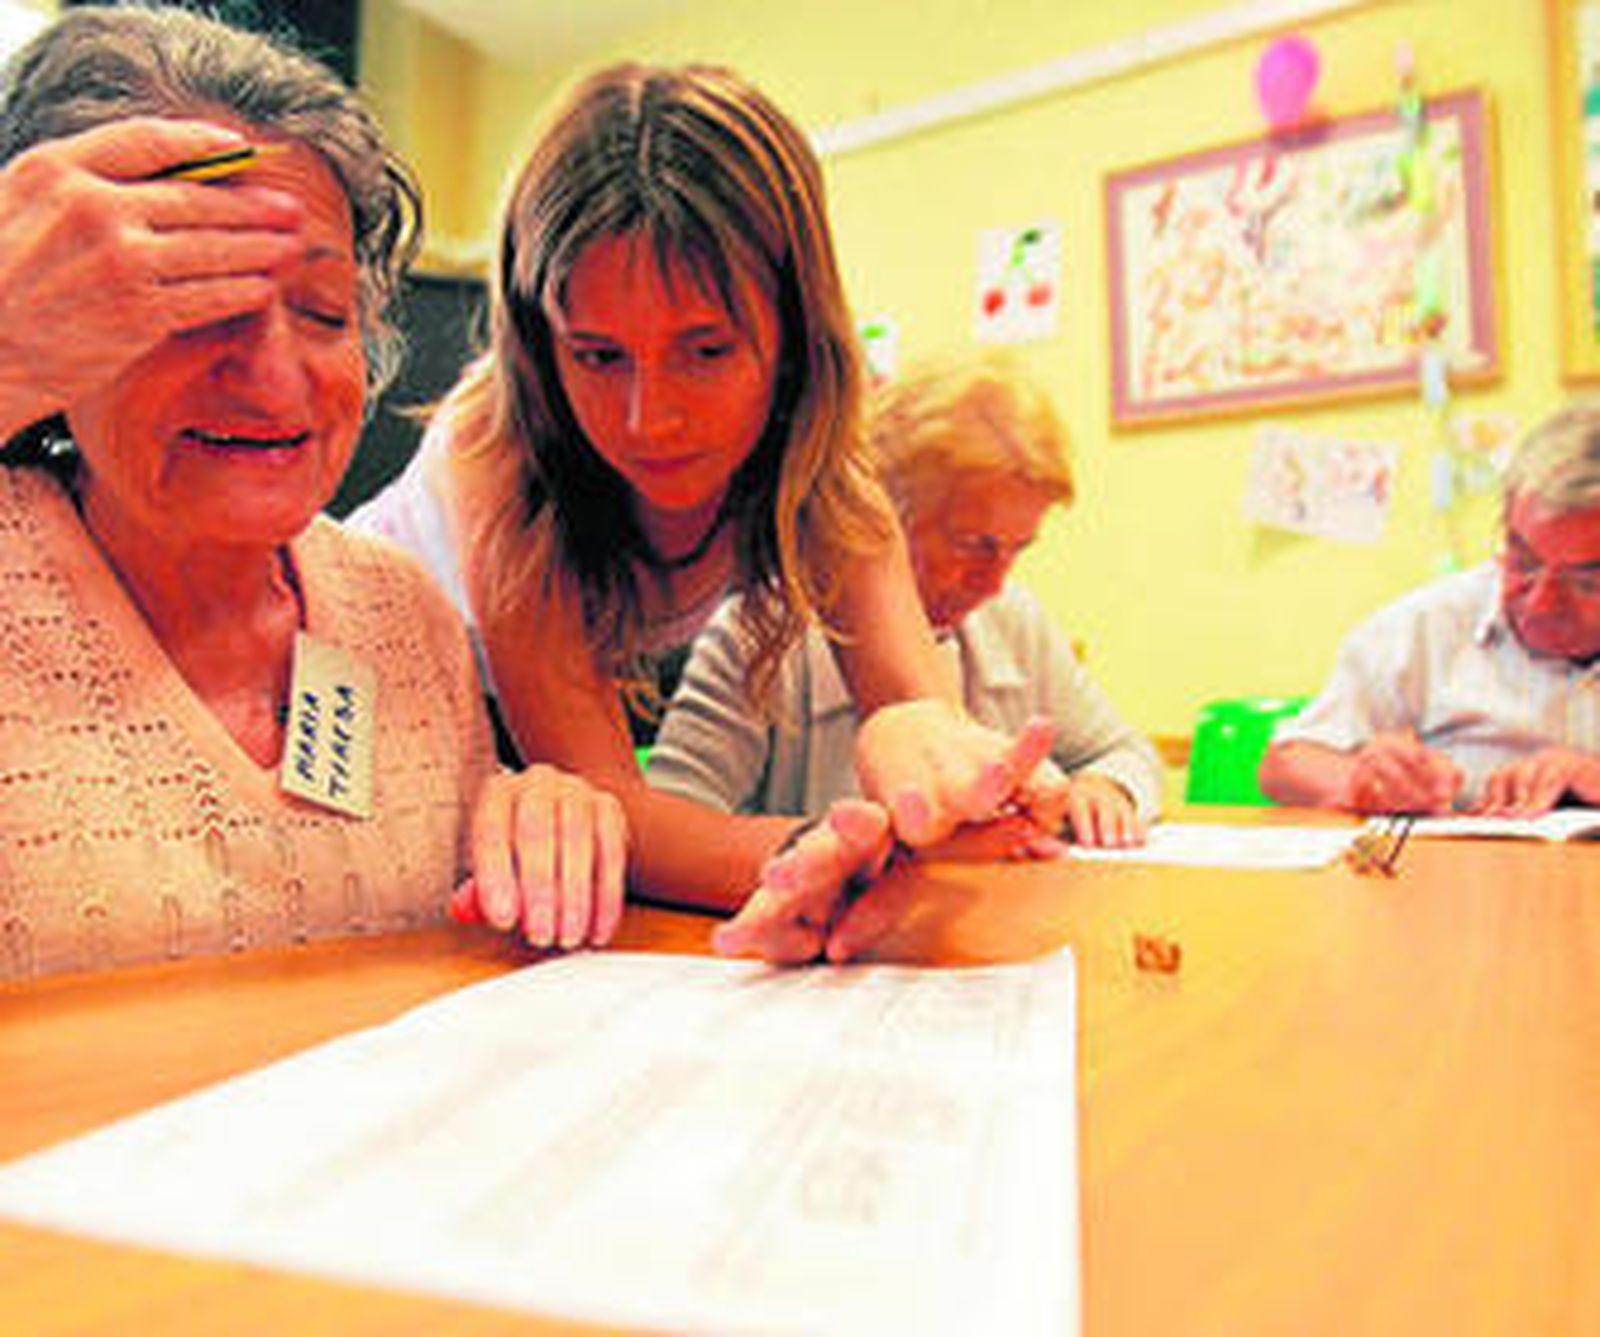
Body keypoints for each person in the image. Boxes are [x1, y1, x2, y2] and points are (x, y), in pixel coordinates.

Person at [351, 63, 1069, 955]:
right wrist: (832, 852)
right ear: (542, 341)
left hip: (495, 780)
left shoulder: (826, 473)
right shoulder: (492, 445)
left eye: (706, 349)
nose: (650, 419)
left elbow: (915, 715)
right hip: (339, 728)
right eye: (600, 357)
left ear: (795, 336)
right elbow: (604, 797)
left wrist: (933, 766)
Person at [0, 5, 623, 978]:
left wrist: (533, 819)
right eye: (194, 299)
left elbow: (449, 905)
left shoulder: (401, 615)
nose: (278, 379)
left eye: (323, 311)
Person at [648, 352, 1162, 847]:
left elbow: (1122, 752)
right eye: (972, 544)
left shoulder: (1015, 622)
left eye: (1017, 549)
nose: (994, 582)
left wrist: (1106, 788)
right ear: (882, 514)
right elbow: (668, 826)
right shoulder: (756, 637)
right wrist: (824, 856)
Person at [1259, 404, 1600, 816]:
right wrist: (1362, 782)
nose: (1540, 602)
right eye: (1523, 560)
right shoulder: (1428, 625)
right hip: (1463, 876)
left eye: (1587, 582)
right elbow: (1286, 764)